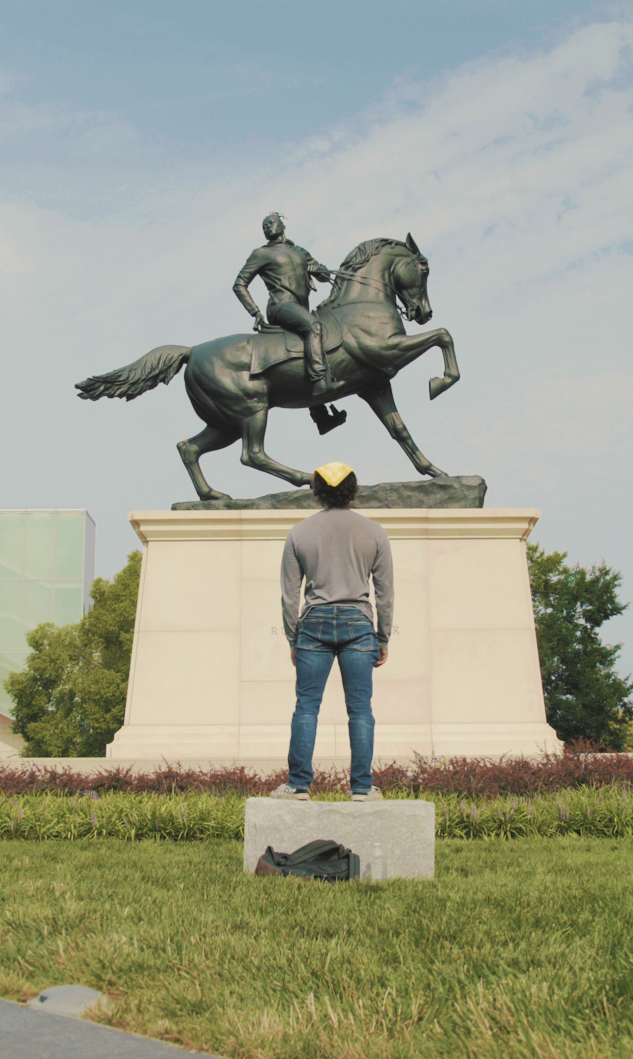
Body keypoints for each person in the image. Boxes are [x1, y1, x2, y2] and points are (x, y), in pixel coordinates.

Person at [272, 462, 393, 801]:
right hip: (359, 623)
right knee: (360, 708)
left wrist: (293, 637)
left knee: (307, 706)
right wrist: (382, 638)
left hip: (313, 624)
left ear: (317, 491)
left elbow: (289, 594)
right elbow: (385, 592)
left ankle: (297, 786)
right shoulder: (375, 532)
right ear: (353, 490)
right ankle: (362, 788)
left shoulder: (299, 532)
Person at [233, 212, 345, 433]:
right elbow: (239, 284)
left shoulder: (299, 251)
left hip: (300, 307)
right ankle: (320, 382)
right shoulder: (261, 254)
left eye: (270, 223)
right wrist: (254, 312)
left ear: (282, 225)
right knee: (314, 327)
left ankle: (321, 417)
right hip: (281, 306)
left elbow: (322, 274)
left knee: (309, 343)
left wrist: (320, 270)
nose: (266, 228)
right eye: (263, 226)